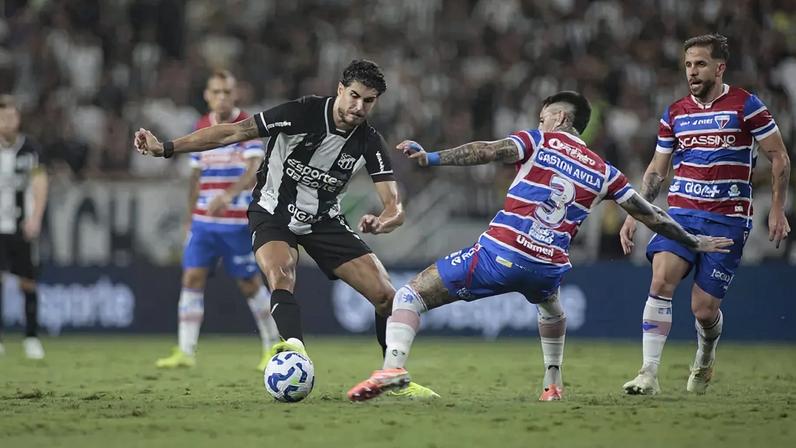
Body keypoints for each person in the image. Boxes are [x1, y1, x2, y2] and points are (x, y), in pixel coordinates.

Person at [346, 91, 733, 402]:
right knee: (551, 308)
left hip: (500, 253)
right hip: (548, 265)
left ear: (560, 119)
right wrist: (693, 240)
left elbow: (488, 150)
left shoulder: (540, 141)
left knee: (411, 295)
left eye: (544, 116)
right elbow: (652, 215)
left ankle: (393, 367)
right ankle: (553, 383)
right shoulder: (605, 172)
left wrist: (432, 157)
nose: (539, 122)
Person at [135, 60, 437, 398]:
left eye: (368, 101)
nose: (358, 106)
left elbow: (394, 206)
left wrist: (384, 221)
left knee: (387, 298)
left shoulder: (368, 140)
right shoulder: (303, 112)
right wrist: (166, 148)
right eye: (354, 96)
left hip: (323, 220)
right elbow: (234, 131)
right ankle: (295, 350)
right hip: (272, 213)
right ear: (340, 90)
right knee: (282, 274)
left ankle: (392, 377)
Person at [619, 34, 791, 395]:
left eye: (699, 64)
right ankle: (648, 373)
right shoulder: (675, 113)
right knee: (660, 281)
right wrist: (635, 212)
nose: (692, 72)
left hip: (727, 218)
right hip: (680, 214)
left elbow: (779, 155)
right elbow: (656, 170)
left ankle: (705, 355)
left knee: (703, 309)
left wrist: (777, 208)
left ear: (719, 67)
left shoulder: (747, 106)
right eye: (687, 65)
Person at [154, 71, 281, 371]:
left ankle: (271, 346)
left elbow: (253, 171)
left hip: (236, 223)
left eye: (227, 91)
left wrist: (227, 196)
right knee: (191, 279)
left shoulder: (246, 125)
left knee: (250, 283)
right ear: (207, 96)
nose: (222, 97)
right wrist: (190, 218)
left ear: (235, 94)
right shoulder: (199, 126)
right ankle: (185, 351)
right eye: (216, 92)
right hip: (203, 223)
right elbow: (196, 177)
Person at [0, 94, 49, 359]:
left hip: (22, 226)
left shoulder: (30, 147)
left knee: (28, 282)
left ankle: (31, 337)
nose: (9, 122)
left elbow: (40, 183)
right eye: (4, 117)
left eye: (13, 116)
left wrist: (36, 217)